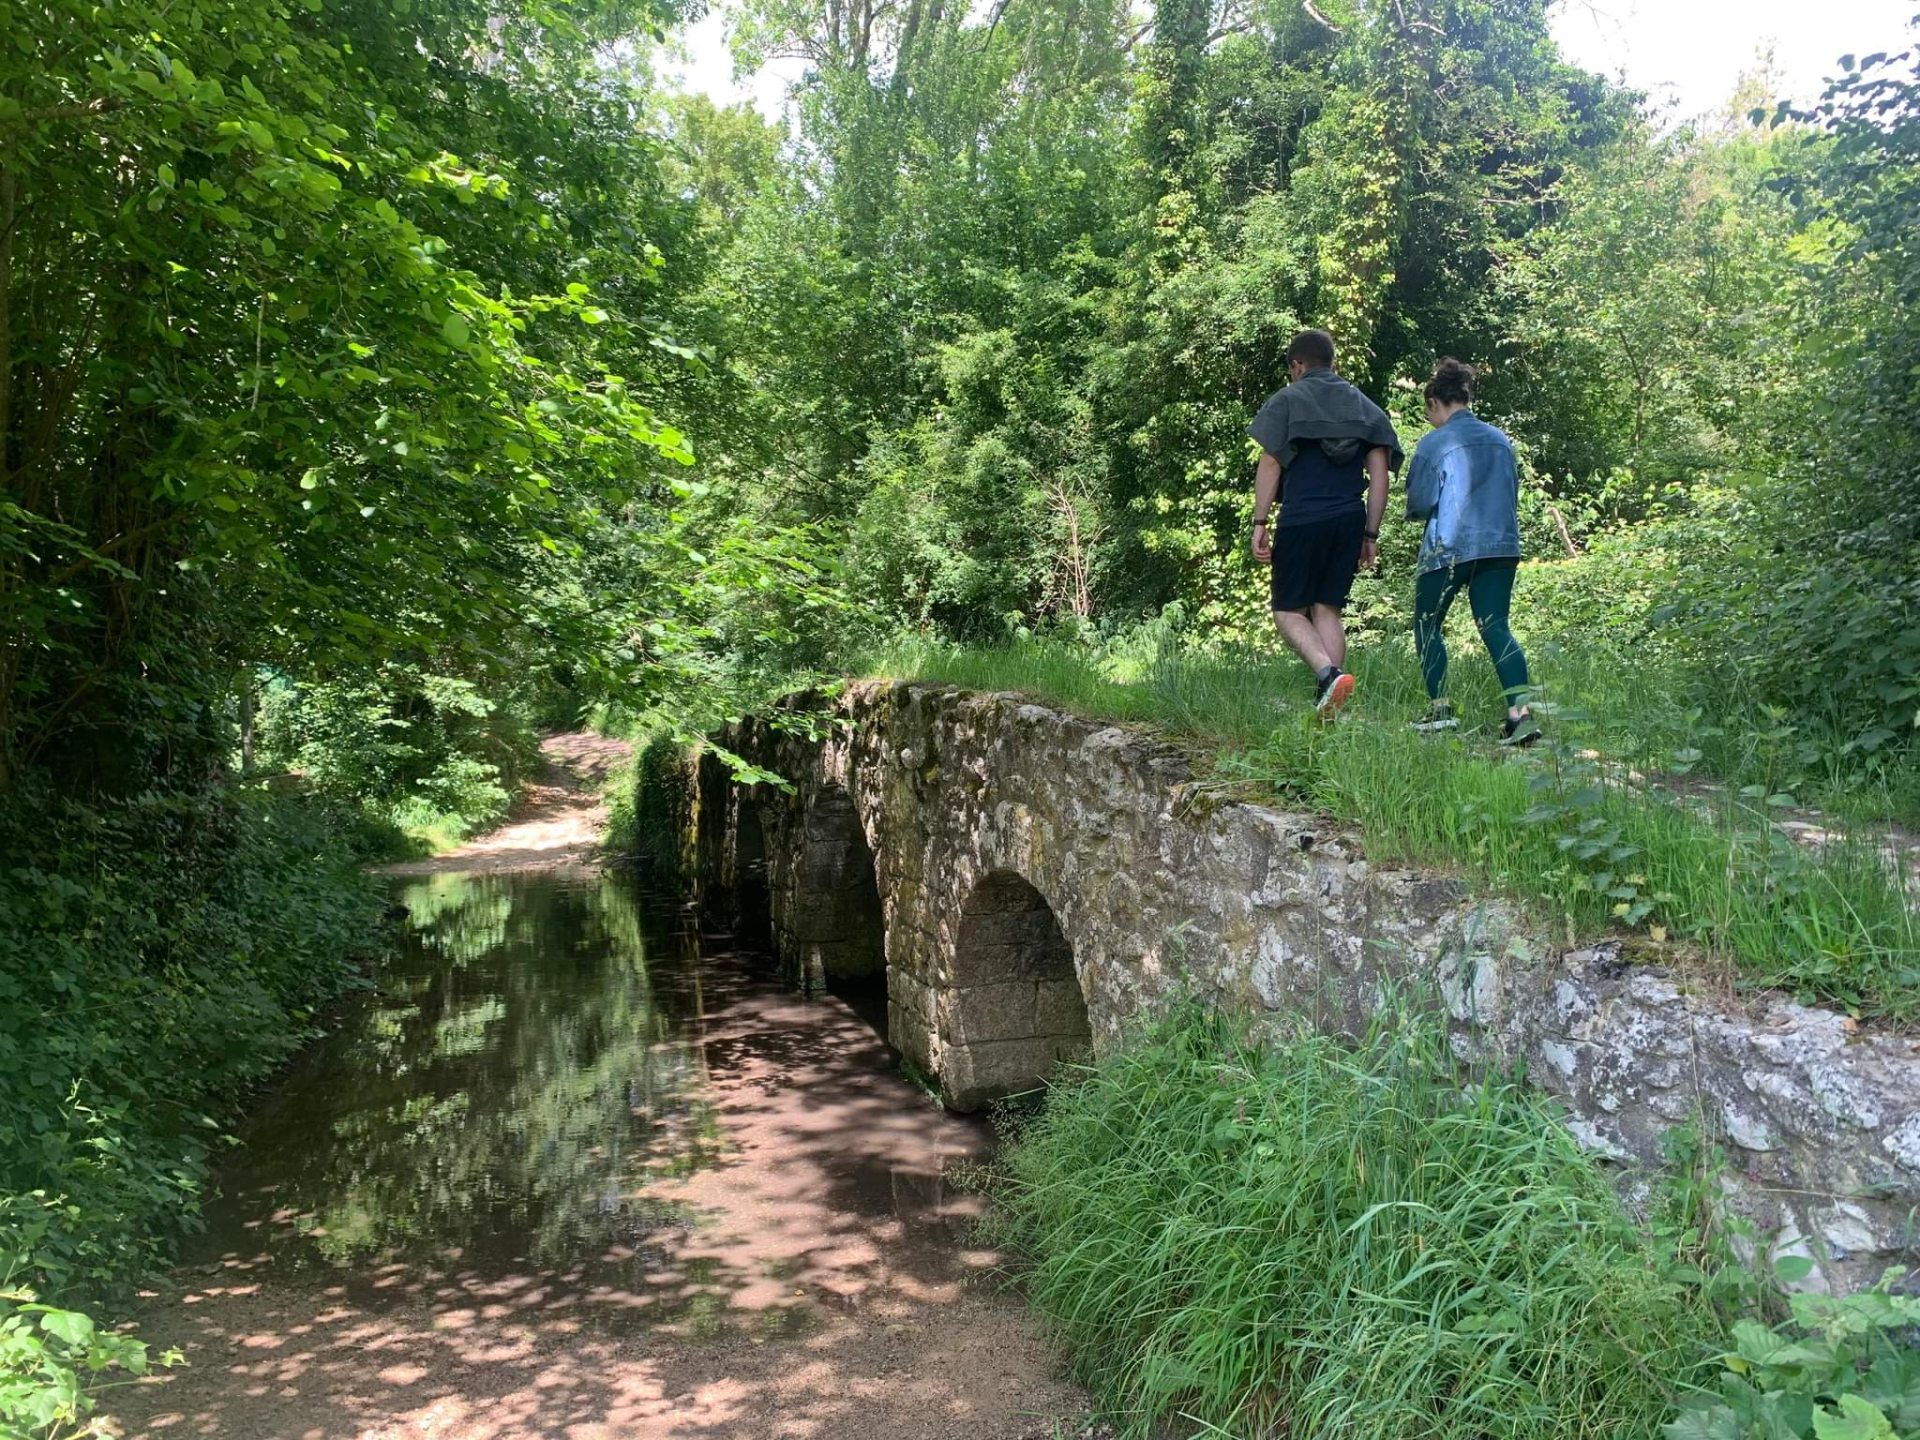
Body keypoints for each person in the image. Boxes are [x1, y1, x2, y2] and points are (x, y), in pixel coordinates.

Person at [1249, 329, 1402, 716]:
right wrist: (1371, 532)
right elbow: (1380, 476)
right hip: (1349, 518)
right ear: (1331, 362)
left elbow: (1270, 462)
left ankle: (1327, 674)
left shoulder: (1288, 400)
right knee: (1327, 609)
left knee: (1287, 610)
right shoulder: (1366, 408)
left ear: (1298, 365)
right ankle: (1333, 701)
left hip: (1302, 517)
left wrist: (1260, 521)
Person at [1403, 358, 1539, 746]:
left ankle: (1441, 709)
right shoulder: (1500, 440)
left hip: (1449, 547)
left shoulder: (1435, 441)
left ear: (1434, 401)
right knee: (1496, 626)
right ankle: (1520, 716)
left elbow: (1420, 500)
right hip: (1501, 545)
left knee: (1427, 623)